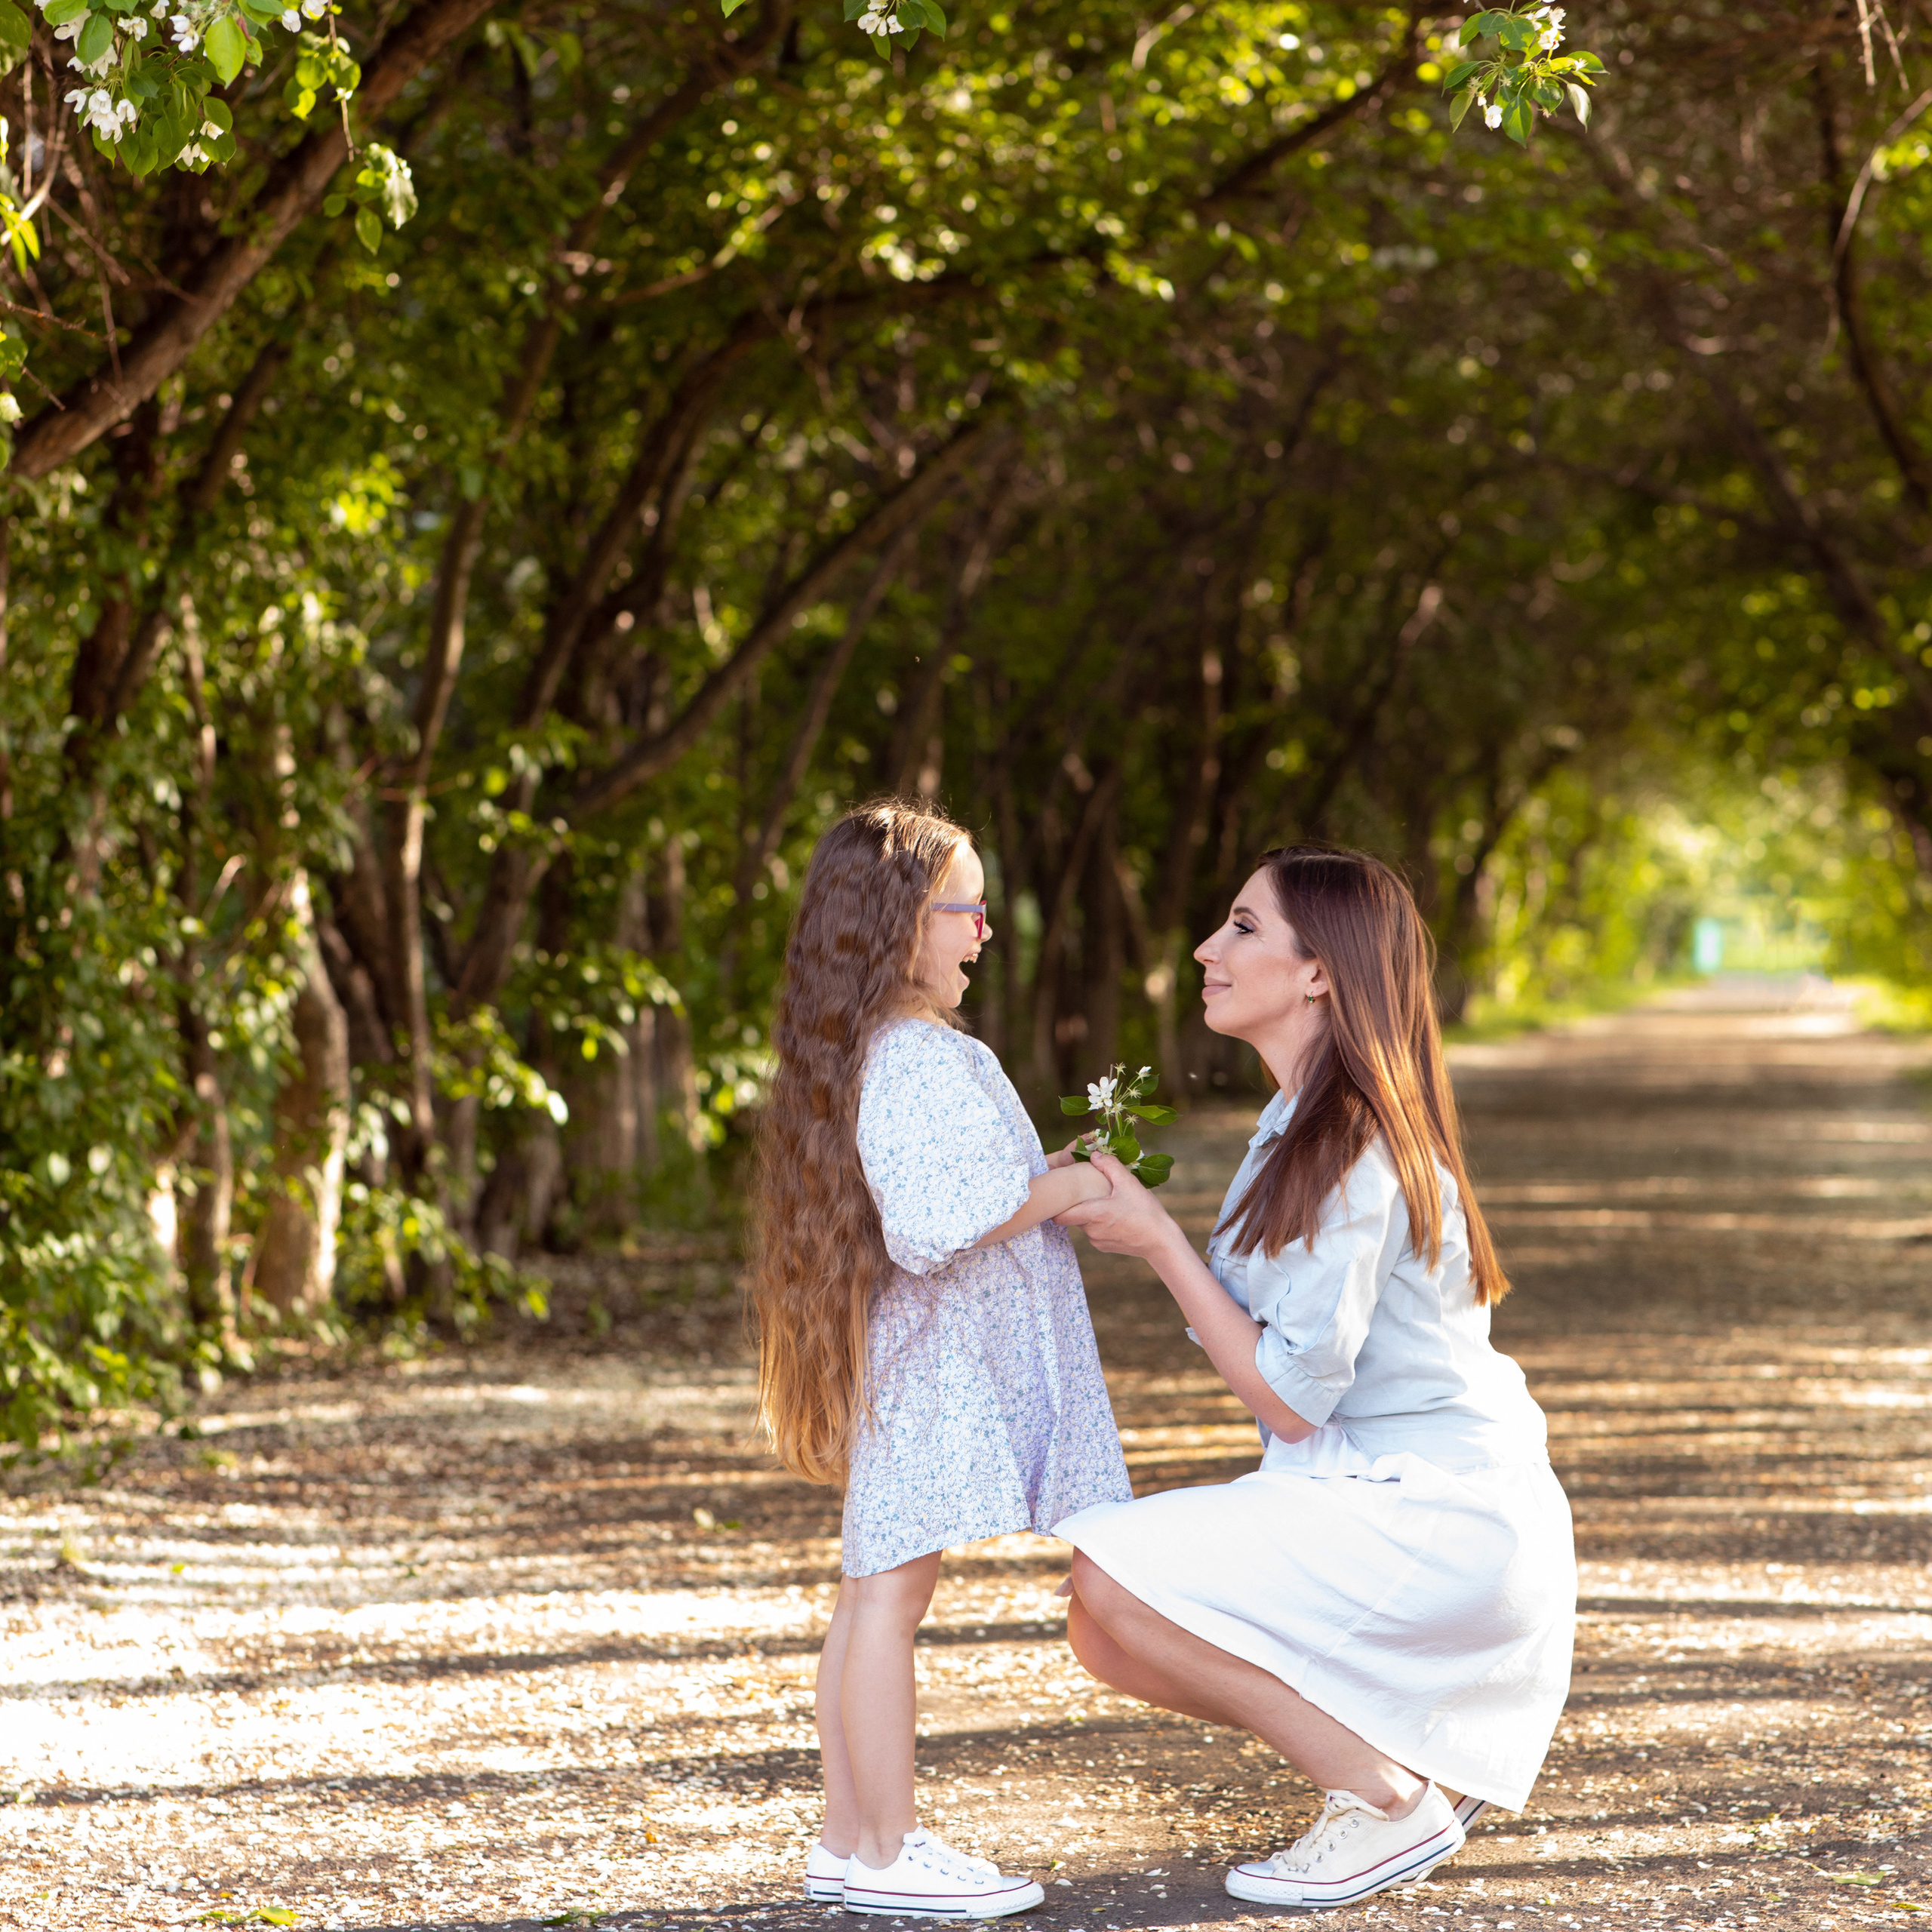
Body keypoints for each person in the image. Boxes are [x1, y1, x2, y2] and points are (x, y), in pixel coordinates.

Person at [1054, 844, 1577, 1911]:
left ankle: (1384, 1799)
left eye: (1243, 927)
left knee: (1111, 1580)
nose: (1208, 948)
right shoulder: (1298, 1126)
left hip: (1441, 1517)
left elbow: (1290, 1402)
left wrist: (1158, 1244)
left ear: (1319, 972)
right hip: (1373, 1492)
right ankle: (1394, 1760)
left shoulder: (1349, 1144)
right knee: (1100, 1633)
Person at [752, 798, 1132, 1920]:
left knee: (875, 1593)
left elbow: (948, 1190)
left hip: (917, 1360)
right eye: (966, 910)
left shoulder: (894, 1049)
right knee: (887, 1601)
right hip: (929, 1368)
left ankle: (846, 1837)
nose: (982, 933)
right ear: (902, 922)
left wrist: (1048, 1165)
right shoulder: (911, 1055)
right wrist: (1060, 1191)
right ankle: (883, 1850)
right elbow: (930, 1223)